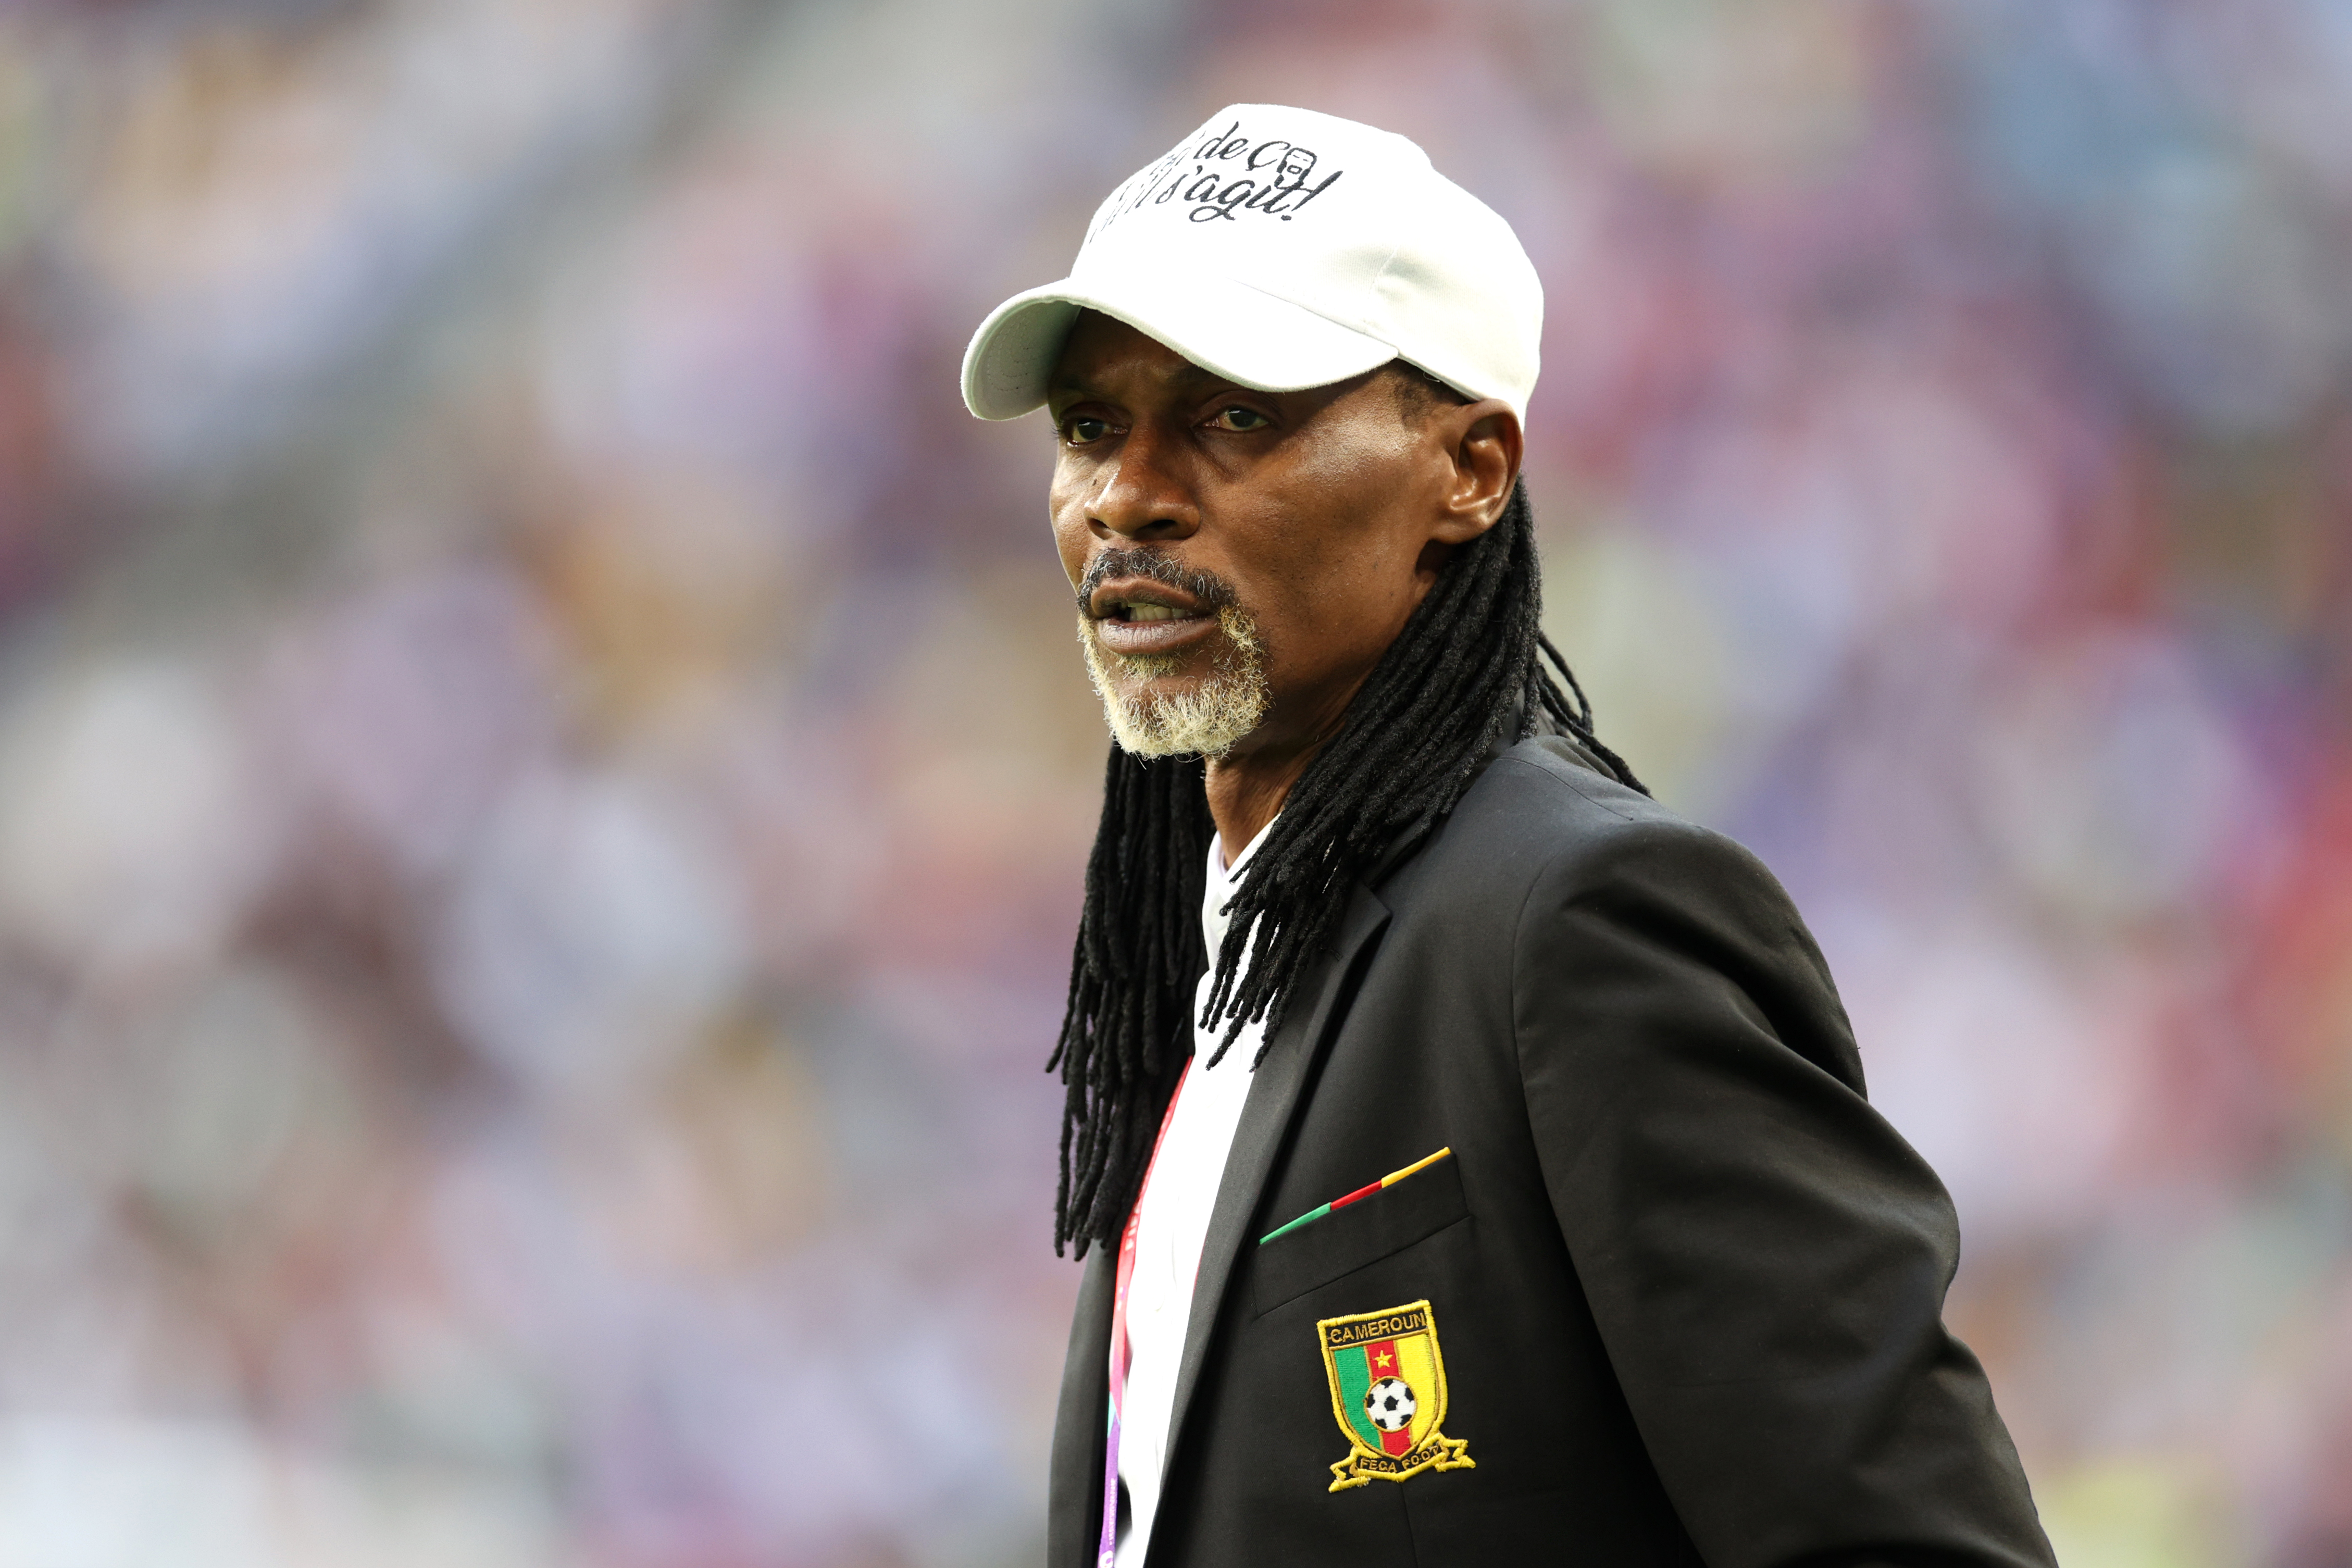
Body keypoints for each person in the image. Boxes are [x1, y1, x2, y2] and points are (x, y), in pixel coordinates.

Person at [960, 104, 2056, 1568]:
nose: (1126, 495)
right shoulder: (1197, 964)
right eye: (1090, 425)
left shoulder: (1582, 918)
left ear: (1467, 469)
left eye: (1234, 415)